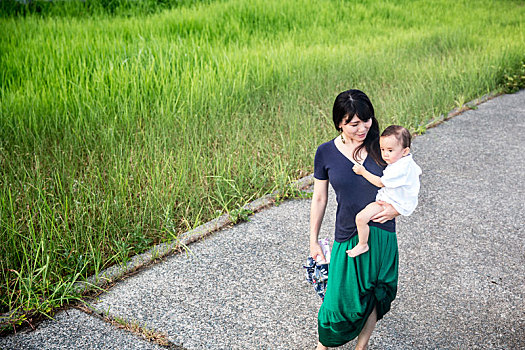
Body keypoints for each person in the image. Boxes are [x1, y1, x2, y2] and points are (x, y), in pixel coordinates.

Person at [310, 89, 400, 349]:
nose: (363, 128)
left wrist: (397, 209)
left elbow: (407, 183)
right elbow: (319, 199)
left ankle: (362, 346)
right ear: (340, 122)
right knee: (337, 300)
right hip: (348, 234)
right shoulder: (326, 152)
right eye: (354, 124)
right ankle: (323, 345)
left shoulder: (382, 146)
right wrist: (313, 241)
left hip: (382, 233)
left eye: (367, 120)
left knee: (375, 292)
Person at [347, 125, 422, 258]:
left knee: (360, 218)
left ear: (405, 151)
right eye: (382, 149)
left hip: (389, 202)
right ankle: (363, 243)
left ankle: (362, 244)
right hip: (395, 201)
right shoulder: (406, 162)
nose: (385, 154)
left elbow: (380, 182)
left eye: (390, 150)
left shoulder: (399, 168)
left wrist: (362, 171)